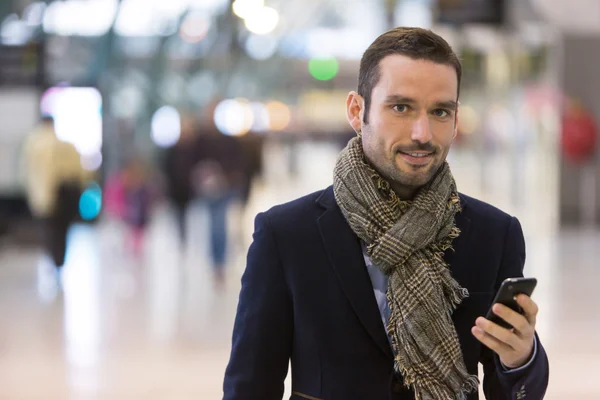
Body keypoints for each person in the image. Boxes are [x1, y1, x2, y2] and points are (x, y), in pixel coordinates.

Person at [223, 27, 549, 400]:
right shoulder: (287, 235)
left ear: (456, 121)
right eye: (400, 107)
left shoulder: (494, 233)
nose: (422, 133)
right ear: (356, 110)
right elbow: (249, 387)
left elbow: (512, 388)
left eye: (440, 111)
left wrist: (520, 358)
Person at [22, 115, 91, 273]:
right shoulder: (67, 145)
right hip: (69, 193)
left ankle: (55, 260)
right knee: (63, 230)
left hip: (49, 194)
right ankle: (59, 261)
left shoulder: (35, 144)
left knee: (50, 230)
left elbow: (31, 174)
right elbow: (82, 173)